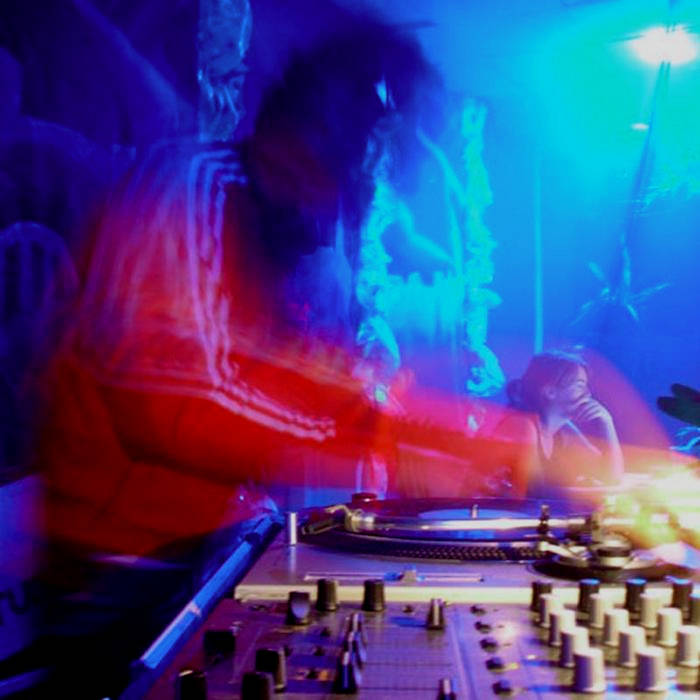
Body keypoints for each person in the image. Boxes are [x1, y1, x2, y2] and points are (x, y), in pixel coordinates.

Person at [33, 19, 442, 697]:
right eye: (336, 171)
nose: (330, 211)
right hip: (112, 579)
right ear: (298, 137)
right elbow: (179, 406)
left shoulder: (272, 230)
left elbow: (283, 373)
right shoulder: (187, 185)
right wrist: (400, 433)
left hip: (195, 554)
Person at [491, 349, 624, 499]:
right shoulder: (522, 426)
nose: (588, 394)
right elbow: (534, 493)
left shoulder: (563, 430)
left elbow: (611, 477)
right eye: (580, 386)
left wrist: (607, 423)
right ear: (550, 392)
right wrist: (584, 491)